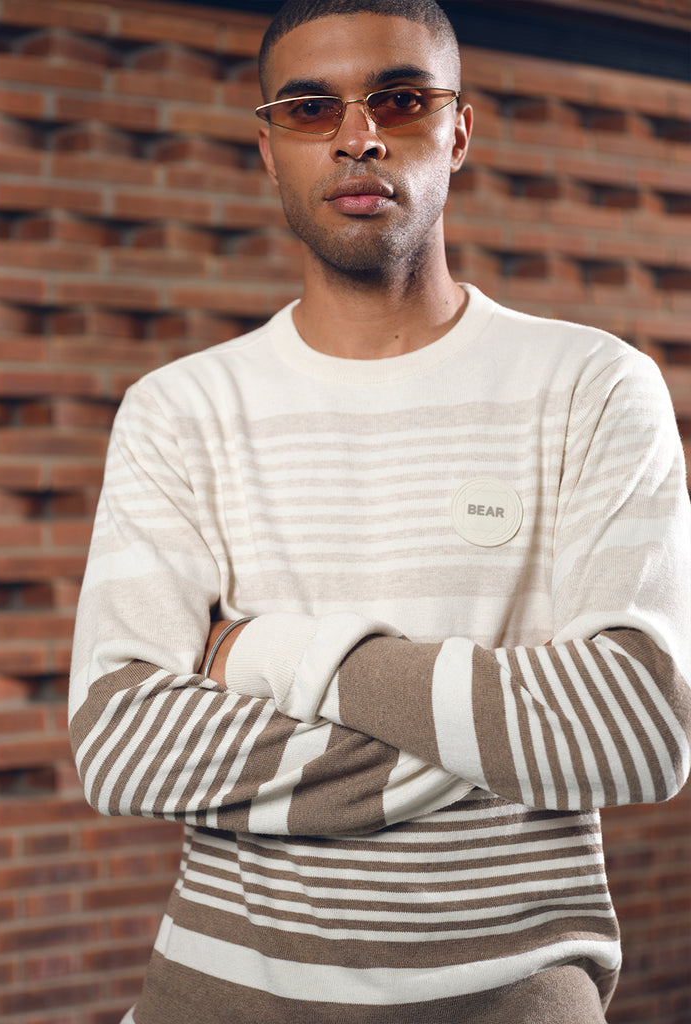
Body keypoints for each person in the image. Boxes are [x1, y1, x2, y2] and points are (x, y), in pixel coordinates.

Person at [69, 1, 691, 1021]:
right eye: (311, 108)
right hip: (214, 991)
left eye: (400, 100)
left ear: (459, 130)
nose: (358, 135)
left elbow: (633, 727)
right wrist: (497, 739)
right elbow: (123, 745)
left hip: (510, 991)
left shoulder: (594, 386)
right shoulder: (178, 409)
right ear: (268, 148)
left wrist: (258, 652)